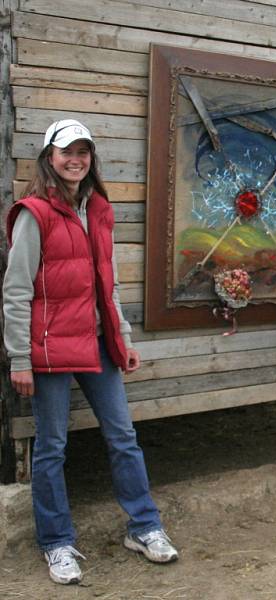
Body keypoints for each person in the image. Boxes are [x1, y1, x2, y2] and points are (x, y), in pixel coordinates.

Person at [3, 119, 179, 585]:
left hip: (98, 343)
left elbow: (109, 283)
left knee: (123, 436)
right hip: (51, 348)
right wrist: (19, 358)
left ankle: (144, 527)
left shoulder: (98, 209)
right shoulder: (33, 213)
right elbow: (16, 290)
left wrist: (121, 335)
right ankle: (56, 542)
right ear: (49, 157)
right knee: (52, 447)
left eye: (83, 152)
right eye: (66, 152)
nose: (75, 160)